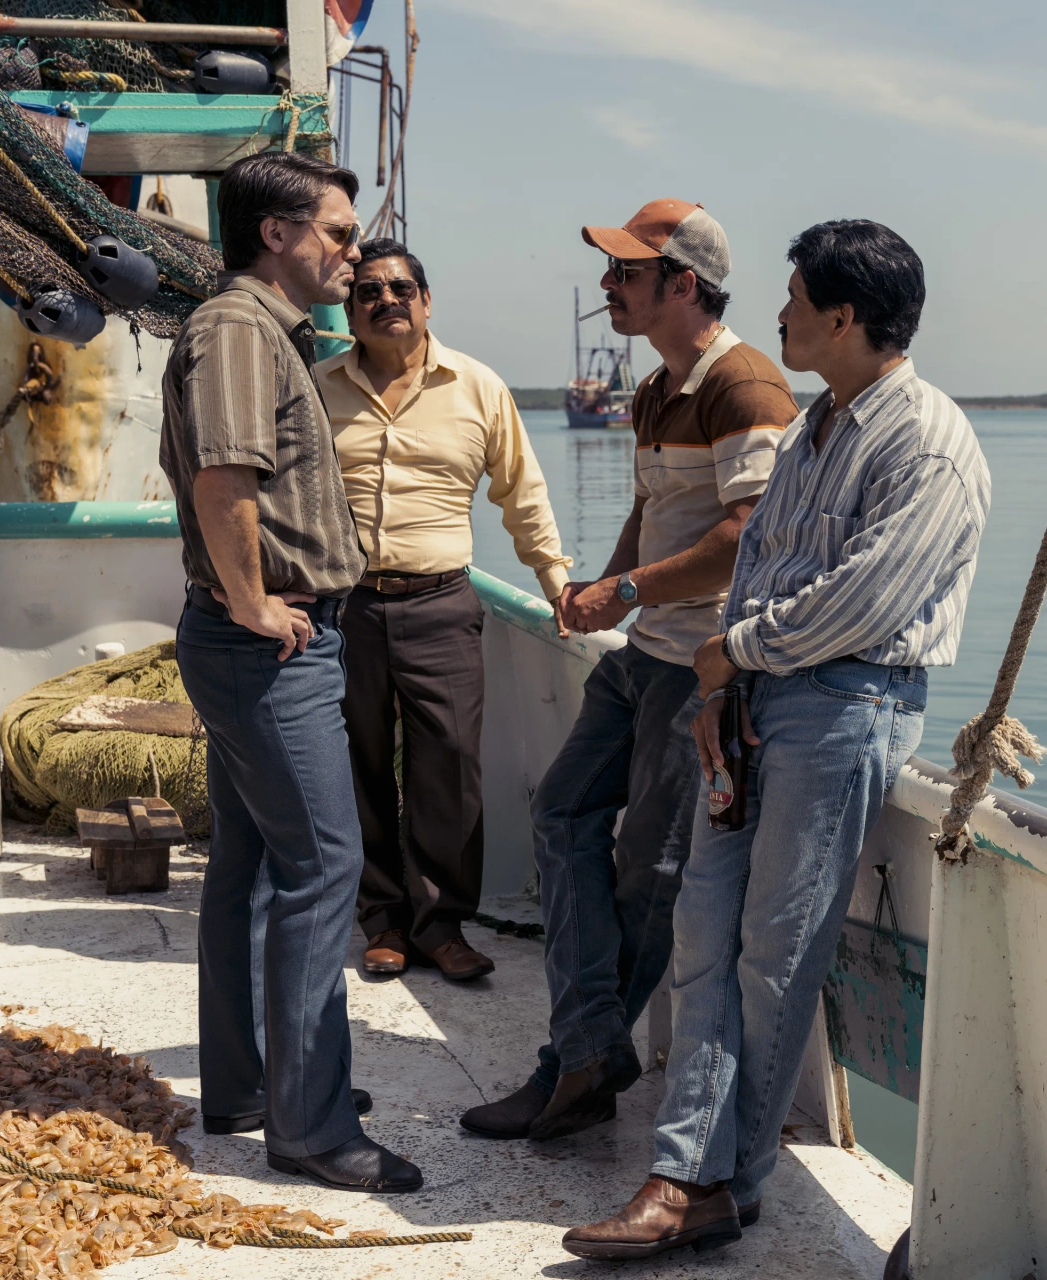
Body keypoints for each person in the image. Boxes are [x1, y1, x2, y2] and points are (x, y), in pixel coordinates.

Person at [562, 220, 991, 1260]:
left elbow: (864, 598)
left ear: (845, 316)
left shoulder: (926, 440)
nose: (783, 312)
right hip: (756, 702)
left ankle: (714, 1181)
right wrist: (729, 676)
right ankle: (685, 1172)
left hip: (845, 707)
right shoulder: (818, 428)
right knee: (707, 935)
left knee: (773, 955)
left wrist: (735, 651)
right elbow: (762, 558)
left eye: (798, 298)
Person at [460, 200, 796, 1143]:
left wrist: (630, 591)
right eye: (611, 272)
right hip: (638, 657)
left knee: (648, 868)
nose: (609, 287)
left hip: (703, 669)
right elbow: (655, 515)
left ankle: (574, 1064)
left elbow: (748, 539)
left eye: (628, 273)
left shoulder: (748, 391)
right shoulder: (657, 389)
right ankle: (591, 1048)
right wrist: (604, 587)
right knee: (561, 811)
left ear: (683, 283)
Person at [160, 151, 419, 1194]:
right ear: (277, 233)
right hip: (270, 641)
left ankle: (249, 1085)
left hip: (259, 637)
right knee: (321, 868)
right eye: (339, 232)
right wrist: (255, 599)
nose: (354, 255)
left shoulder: (265, 331)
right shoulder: (236, 328)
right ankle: (312, 1127)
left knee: (254, 866)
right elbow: (226, 475)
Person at [317, 238, 574, 983]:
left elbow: (521, 493)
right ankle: (383, 921)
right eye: (368, 291)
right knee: (358, 764)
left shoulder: (478, 387)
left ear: (427, 302)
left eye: (401, 288)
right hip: (346, 609)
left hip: (440, 604)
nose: (386, 300)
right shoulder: (318, 387)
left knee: (451, 765)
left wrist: (556, 582)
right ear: (350, 309)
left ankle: (440, 923)